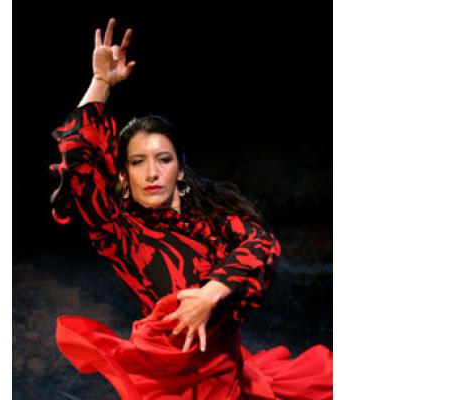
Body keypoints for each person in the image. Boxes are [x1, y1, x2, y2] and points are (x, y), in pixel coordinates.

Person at [50, 18, 332, 400]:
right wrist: (100, 82)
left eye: (163, 159)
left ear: (180, 169)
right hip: (168, 380)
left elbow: (261, 243)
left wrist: (210, 293)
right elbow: (78, 153)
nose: (152, 173)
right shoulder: (118, 229)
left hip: (224, 372)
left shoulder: (211, 218)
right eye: (137, 162)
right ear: (124, 175)